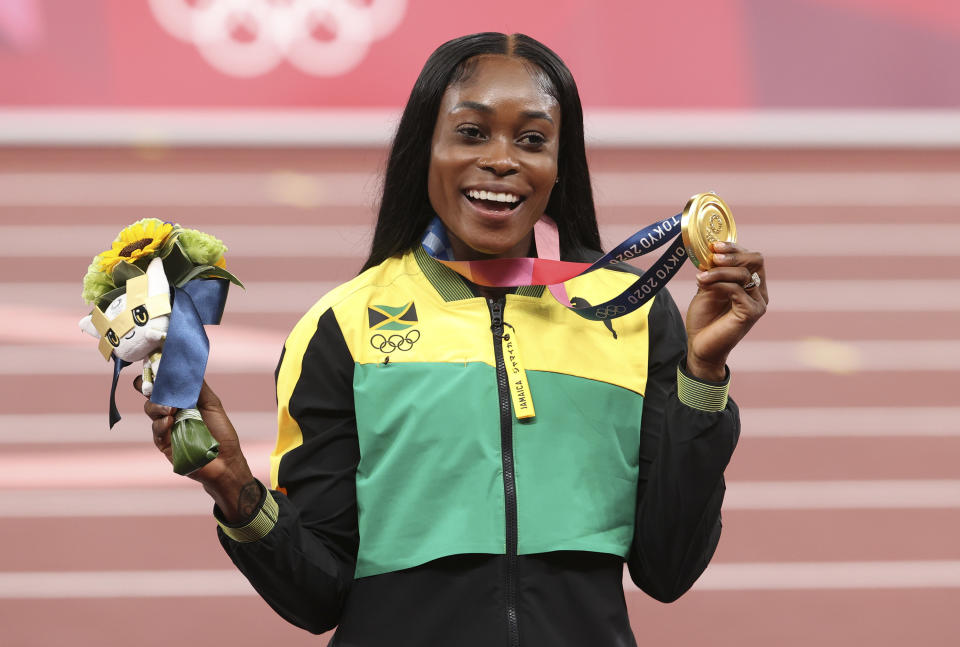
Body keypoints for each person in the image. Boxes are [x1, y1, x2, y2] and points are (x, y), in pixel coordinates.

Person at [141, 32, 768, 646]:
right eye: (471, 132)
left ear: (558, 166)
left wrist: (703, 377)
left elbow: (668, 570)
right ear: (426, 150)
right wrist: (235, 491)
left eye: (532, 139)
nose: (502, 159)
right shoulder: (344, 328)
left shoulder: (634, 315)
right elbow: (317, 596)